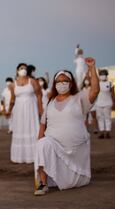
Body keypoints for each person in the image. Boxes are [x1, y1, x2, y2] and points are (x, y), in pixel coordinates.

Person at [34, 58, 100, 196]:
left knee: (71, 183)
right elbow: (42, 124)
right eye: (58, 81)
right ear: (54, 84)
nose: (61, 84)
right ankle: (43, 183)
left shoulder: (79, 98)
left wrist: (92, 68)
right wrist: (39, 145)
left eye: (65, 81)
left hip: (75, 147)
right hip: (54, 143)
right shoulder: (50, 102)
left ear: (71, 84)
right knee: (42, 144)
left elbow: (94, 91)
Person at [9, 63, 43, 163]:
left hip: (31, 111)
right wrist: (8, 111)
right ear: (17, 70)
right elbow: (12, 99)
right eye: (21, 68)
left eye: (25, 68)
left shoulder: (32, 81)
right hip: (19, 111)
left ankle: (34, 156)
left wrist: (41, 111)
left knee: (32, 129)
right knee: (19, 129)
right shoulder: (13, 84)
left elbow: (39, 96)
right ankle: (18, 157)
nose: (23, 70)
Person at [95, 69, 115, 139]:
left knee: (107, 118)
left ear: (106, 75)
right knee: (100, 118)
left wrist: (114, 102)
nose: (102, 76)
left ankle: (108, 133)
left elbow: (113, 94)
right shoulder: (97, 83)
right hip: (98, 103)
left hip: (108, 103)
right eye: (101, 74)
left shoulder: (110, 83)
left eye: (103, 74)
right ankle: (102, 133)